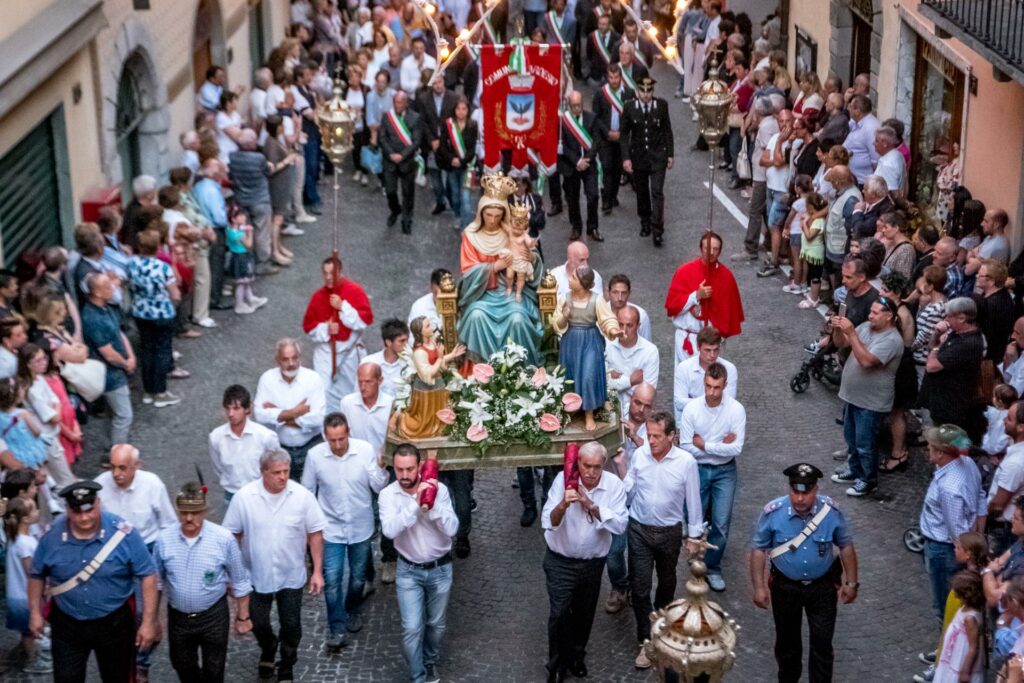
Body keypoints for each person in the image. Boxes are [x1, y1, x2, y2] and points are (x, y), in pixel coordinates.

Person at [29, 481, 160, 683]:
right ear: (67, 510)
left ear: (98, 503)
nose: (84, 518)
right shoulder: (52, 537)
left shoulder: (123, 533)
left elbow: (148, 575)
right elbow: (37, 575)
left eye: (89, 510)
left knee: (118, 677)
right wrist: (35, 613)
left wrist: (149, 622)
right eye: (77, 512)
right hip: (67, 623)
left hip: (114, 622)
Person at [222, 449, 326, 683]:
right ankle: (269, 646)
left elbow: (315, 533)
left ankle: (287, 665)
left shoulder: (301, 496)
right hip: (255, 575)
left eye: (286, 472)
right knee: (258, 622)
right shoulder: (244, 498)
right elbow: (232, 536)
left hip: (291, 575)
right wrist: (231, 574)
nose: (282, 477)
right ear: (263, 472)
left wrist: (317, 571)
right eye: (276, 472)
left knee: (291, 625)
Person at [749, 464, 859, 683]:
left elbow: (846, 546)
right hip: (785, 587)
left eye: (806, 492)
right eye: (795, 491)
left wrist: (852, 583)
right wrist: (759, 587)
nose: (800, 498)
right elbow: (759, 550)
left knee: (822, 643)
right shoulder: (773, 512)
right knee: (787, 645)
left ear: (816, 489)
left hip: (822, 588)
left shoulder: (831, 512)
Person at [541, 441, 628, 682]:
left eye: (596, 467)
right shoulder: (562, 480)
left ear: (603, 466)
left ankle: (577, 656)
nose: (590, 472)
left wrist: (589, 504)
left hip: (592, 563)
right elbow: (549, 520)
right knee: (559, 614)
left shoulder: (614, 486)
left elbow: (620, 524)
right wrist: (564, 504)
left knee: (584, 612)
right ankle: (557, 666)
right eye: (586, 465)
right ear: (577, 463)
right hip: (560, 560)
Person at [301, 413, 388, 649]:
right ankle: (336, 627)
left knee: (358, 577)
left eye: (341, 439)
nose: (338, 445)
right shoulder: (314, 457)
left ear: (348, 431)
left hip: (360, 526)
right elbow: (307, 493)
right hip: (331, 530)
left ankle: (352, 608)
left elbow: (379, 486)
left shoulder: (365, 450)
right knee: (332, 581)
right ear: (325, 437)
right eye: (333, 440)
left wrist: (379, 467)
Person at [624, 411, 703, 669]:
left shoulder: (686, 462)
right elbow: (630, 488)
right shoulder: (639, 455)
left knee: (667, 583)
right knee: (639, 586)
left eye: (657, 436)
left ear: (672, 436)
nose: (652, 441)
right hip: (639, 529)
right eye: (649, 435)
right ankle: (646, 642)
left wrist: (694, 536)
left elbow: (693, 501)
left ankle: (661, 627)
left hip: (669, 532)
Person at [153, 481, 253, 682]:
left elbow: (240, 579)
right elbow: (156, 584)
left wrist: (243, 616)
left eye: (195, 512)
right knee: (181, 664)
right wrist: (152, 619)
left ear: (205, 511)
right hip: (179, 618)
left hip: (213, 616)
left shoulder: (223, 539)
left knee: (214, 669)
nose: (189, 518)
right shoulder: (164, 540)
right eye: (183, 512)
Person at [379, 443, 459, 683]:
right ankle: (418, 676)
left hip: (440, 568)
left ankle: (430, 660)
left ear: (420, 467)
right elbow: (390, 530)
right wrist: (415, 504)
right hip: (408, 571)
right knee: (412, 628)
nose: (404, 476)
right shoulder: (387, 495)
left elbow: (453, 528)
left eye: (410, 469)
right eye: (399, 470)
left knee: (436, 625)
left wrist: (432, 506)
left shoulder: (441, 490)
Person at [457, 175, 545, 365]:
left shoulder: (513, 232)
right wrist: (496, 267)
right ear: (481, 213)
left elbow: (532, 260)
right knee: (475, 316)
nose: (492, 220)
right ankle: (479, 371)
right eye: (488, 215)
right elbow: (468, 274)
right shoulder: (470, 236)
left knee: (518, 319)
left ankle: (521, 371)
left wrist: (530, 258)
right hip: (482, 295)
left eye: (497, 216)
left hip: (511, 292)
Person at [678, 362, 746, 592]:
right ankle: (696, 555)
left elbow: (736, 448)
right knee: (694, 517)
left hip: (725, 471)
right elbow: (687, 446)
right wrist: (719, 445)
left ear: (725, 386)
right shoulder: (692, 409)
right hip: (696, 469)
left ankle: (713, 567)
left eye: (716, 387)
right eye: (707, 386)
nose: (711, 392)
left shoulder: (736, 410)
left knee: (721, 522)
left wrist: (705, 444)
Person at [830, 298, 904, 496]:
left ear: (889, 316)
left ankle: (868, 480)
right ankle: (855, 471)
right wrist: (838, 328)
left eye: (876, 312)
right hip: (853, 396)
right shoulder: (866, 327)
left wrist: (852, 333)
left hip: (871, 402)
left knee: (865, 444)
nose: (870, 316)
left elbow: (866, 361)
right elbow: (840, 344)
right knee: (852, 440)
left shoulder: (892, 340)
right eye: (870, 311)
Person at [917, 425, 985, 626]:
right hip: (952, 546)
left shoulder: (949, 488)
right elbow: (980, 496)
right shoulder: (968, 463)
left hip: (942, 550)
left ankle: (947, 646)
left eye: (930, 447)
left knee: (945, 600)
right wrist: (979, 532)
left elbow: (957, 532)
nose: (927, 449)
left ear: (940, 453)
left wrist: (970, 550)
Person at [552, 266, 621, 431]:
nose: (569, 280)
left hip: (590, 341)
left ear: (583, 283)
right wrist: (565, 317)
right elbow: (556, 324)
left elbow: (607, 318)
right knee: (571, 377)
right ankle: (571, 410)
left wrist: (613, 330)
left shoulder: (596, 300)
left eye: (573, 278)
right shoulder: (565, 298)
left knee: (588, 376)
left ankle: (589, 413)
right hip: (571, 342)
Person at [302, 256, 374, 409]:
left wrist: (343, 307)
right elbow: (309, 327)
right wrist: (325, 329)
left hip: (350, 350)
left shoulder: (354, 291)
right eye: (325, 273)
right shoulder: (318, 296)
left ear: (340, 272)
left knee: (356, 389)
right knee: (322, 392)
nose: (328, 277)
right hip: (327, 352)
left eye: (332, 273)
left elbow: (363, 321)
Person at [664, 231, 745, 363]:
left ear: (720, 251)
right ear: (701, 248)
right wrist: (696, 295)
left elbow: (727, 316)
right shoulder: (684, 272)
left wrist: (715, 341)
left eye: (715, 249)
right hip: (687, 339)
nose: (711, 252)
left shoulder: (727, 277)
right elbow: (674, 307)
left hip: (713, 345)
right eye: (707, 248)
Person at [253, 338, 327, 482]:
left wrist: (278, 414)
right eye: (286, 359)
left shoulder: (313, 379)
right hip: (279, 449)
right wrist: (296, 412)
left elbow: (318, 418)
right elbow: (259, 414)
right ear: (277, 360)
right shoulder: (267, 379)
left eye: (295, 358)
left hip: (311, 446)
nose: (291, 363)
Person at [919, 297, 986, 444]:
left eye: (949, 316)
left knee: (946, 445)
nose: (946, 319)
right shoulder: (956, 333)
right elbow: (931, 348)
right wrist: (936, 334)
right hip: (940, 400)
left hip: (951, 405)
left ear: (962, 317)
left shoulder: (967, 343)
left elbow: (931, 366)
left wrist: (937, 348)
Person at [127, 229, 182, 408]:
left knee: (146, 350)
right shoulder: (163, 268)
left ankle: (148, 391)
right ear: (157, 247)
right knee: (162, 351)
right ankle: (160, 392)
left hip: (140, 312)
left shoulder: (132, 264)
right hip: (161, 313)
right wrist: (173, 303)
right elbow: (174, 294)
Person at [80, 273, 134, 444]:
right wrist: (126, 363)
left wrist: (130, 355)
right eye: (107, 286)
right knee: (124, 415)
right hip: (110, 374)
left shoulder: (106, 308)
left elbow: (119, 333)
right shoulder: (92, 318)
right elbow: (108, 353)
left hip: (117, 368)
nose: (113, 288)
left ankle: (110, 449)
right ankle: (117, 452)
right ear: (96, 292)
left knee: (114, 414)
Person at [620, 76, 673, 245]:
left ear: (653, 91)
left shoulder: (661, 106)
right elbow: (624, 135)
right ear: (637, 91)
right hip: (639, 157)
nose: (645, 94)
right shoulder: (629, 107)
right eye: (642, 91)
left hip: (658, 156)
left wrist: (670, 154)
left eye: (648, 91)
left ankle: (658, 228)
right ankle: (645, 220)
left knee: (657, 192)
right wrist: (626, 158)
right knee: (642, 191)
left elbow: (667, 131)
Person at [209, 384, 281, 507]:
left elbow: (276, 466)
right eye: (228, 408)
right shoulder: (216, 437)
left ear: (247, 409)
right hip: (231, 497)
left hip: (260, 495)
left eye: (236, 408)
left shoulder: (266, 436)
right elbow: (218, 468)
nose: (231, 413)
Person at [93, 444, 177, 548]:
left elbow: (169, 524)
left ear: (137, 465)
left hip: (146, 546)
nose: (115, 473)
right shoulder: (99, 485)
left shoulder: (153, 485)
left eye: (122, 468)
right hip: (111, 548)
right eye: (112, 467)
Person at [396, 316, 464, 439]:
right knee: (426, 418)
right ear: (420, 332)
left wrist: (451, 355)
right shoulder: (419, 352)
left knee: (440, 415)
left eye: (430, 324)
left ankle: (439, 427)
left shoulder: (432, 343)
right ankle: (402, 419)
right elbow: (428, 372)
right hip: (426, 390)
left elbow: (439, 363)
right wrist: (439, 357)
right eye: (427, 326)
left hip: (439, 384)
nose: (432, 327)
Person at [4, 496, 51, 674]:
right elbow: (32, 573)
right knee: (33, 630)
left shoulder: (16, 538)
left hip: (16, 594)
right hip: (25, 596)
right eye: (34, 509)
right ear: (26, 518)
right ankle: (36, 660)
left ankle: (33, 657)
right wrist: (45, 589)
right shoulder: (25, 544)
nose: (38, 511)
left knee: (26, 631)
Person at [557, 91, 606, 242]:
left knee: (593, 196)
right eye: (573, 106)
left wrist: (586, 160)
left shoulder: (592, 118)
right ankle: (576, 226)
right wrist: (577, 162)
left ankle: (593, 227)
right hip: (571, 166)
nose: (577, 108)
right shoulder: (563, 122)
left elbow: (597, 142)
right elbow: (562, 146)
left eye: (579, 105)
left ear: (583, 103)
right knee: (572, 198)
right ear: (569, 106)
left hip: (589, 165)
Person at [673, 325, 738, 423]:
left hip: (718, 424)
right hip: (690, 423)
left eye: (716, 350)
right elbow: (679, 403)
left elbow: (728, 405)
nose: (712, 355)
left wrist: (692, 401)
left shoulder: (730, 369)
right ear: (698, 347)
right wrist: (713, 400)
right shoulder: (684, 368)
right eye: (707, 350)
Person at [592, 64, 633, 216]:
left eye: (616, 77)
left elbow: (630, 117)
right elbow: (596, 117)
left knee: (617, 169)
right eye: (611, 77)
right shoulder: (601, 94)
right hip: (605, 138)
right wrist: (608, 132)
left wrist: (622, 133)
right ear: (607, 77)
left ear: (621, 77)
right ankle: (606, 201)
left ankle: (613, 195)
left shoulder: (629, 94)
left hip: (621, 139)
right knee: (607, 167)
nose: (614, 80)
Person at [380, 91, 424, 234]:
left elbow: (416, 141)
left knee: (408, 193)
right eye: (395, 102)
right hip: (390, 161)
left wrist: (402, 155)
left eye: (399, 102)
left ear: (406, 103)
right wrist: (391, 154)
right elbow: (382, 138)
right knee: (390, 190)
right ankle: (395, 210)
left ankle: (407, 219)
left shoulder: (415, 118)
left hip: (407, 162)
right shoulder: (387, 117)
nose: (397, 105)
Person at [931, 571, 986, 683]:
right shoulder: (965, 608)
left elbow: (973, 647)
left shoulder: (970, 619)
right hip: (954, 655)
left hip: (960, 657)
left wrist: (964, 671)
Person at [605, 305, 659, 415]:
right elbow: (602, 384)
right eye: (620, 324)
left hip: (638, 414)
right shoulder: (606, 346)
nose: (624, 330)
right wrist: (630, 381)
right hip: (608, 410)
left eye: (629, 325)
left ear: (638, 326)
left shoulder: (650, 351)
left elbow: (646, 392)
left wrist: (615, 379)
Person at [987, 400, 1024, 555]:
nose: (1004, 420)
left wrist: (985, 518)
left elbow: (997, 505)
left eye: (1009, 418)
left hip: (1003, 529)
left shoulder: (1015, 464)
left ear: (1021, 427)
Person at [341, 362, 394, 457]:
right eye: (360, 382)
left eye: (368, 382)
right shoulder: (347, 403)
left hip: (385, 464)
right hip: (356, 462)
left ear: (380, 381)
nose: (363, 387)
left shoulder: (391, 405)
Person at [362, 319, 410, 397]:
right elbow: (359, 393)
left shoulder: (410, 364)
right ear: (388, 342)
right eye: (401, 341)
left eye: (407, 340)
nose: (406, 344)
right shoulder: (368, 363)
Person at [842, 94, 880, 185]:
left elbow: (876, 160)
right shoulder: (856, 122)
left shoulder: (870, 128)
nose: (848, 109)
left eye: (850, 107)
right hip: (851, 179)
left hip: (861, 182)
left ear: (858, 110)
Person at [606, 274, 651, 341]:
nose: (619, 298)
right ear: (608, 293)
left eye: (624, 293)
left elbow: (646, 343)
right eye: (615, 292)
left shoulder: (641, 315)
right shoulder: (598, 313)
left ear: (629, 293)